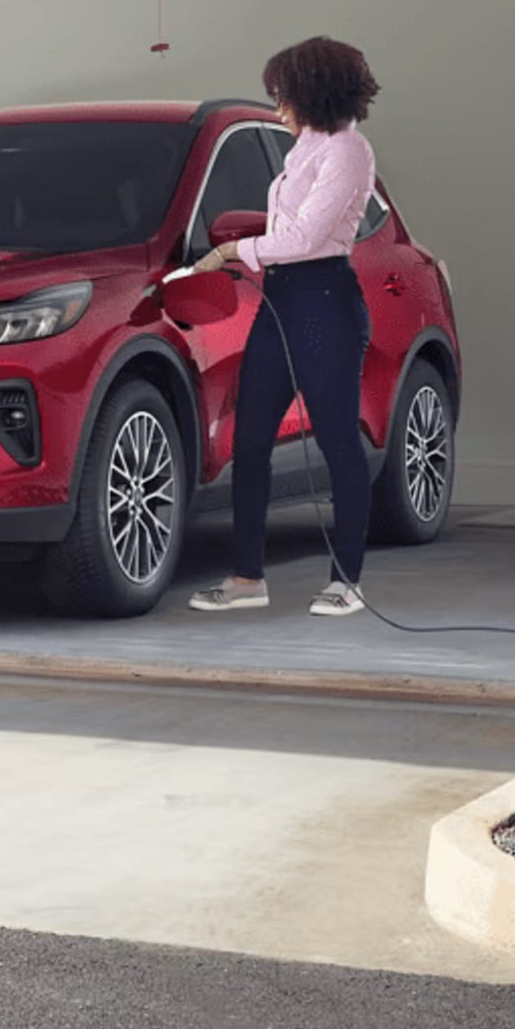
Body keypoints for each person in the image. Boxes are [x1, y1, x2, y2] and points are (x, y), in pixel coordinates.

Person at [188, 36, 379, 618]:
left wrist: (229, 253)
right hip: (282, 301)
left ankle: (346, 580)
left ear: (313, 93)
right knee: (250, 440)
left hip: (323, 301)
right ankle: (248, 578)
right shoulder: (304, 149)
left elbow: (303, 239)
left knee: (338, 441)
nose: (278, 109)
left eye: (284, 97)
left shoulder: (348, 152)